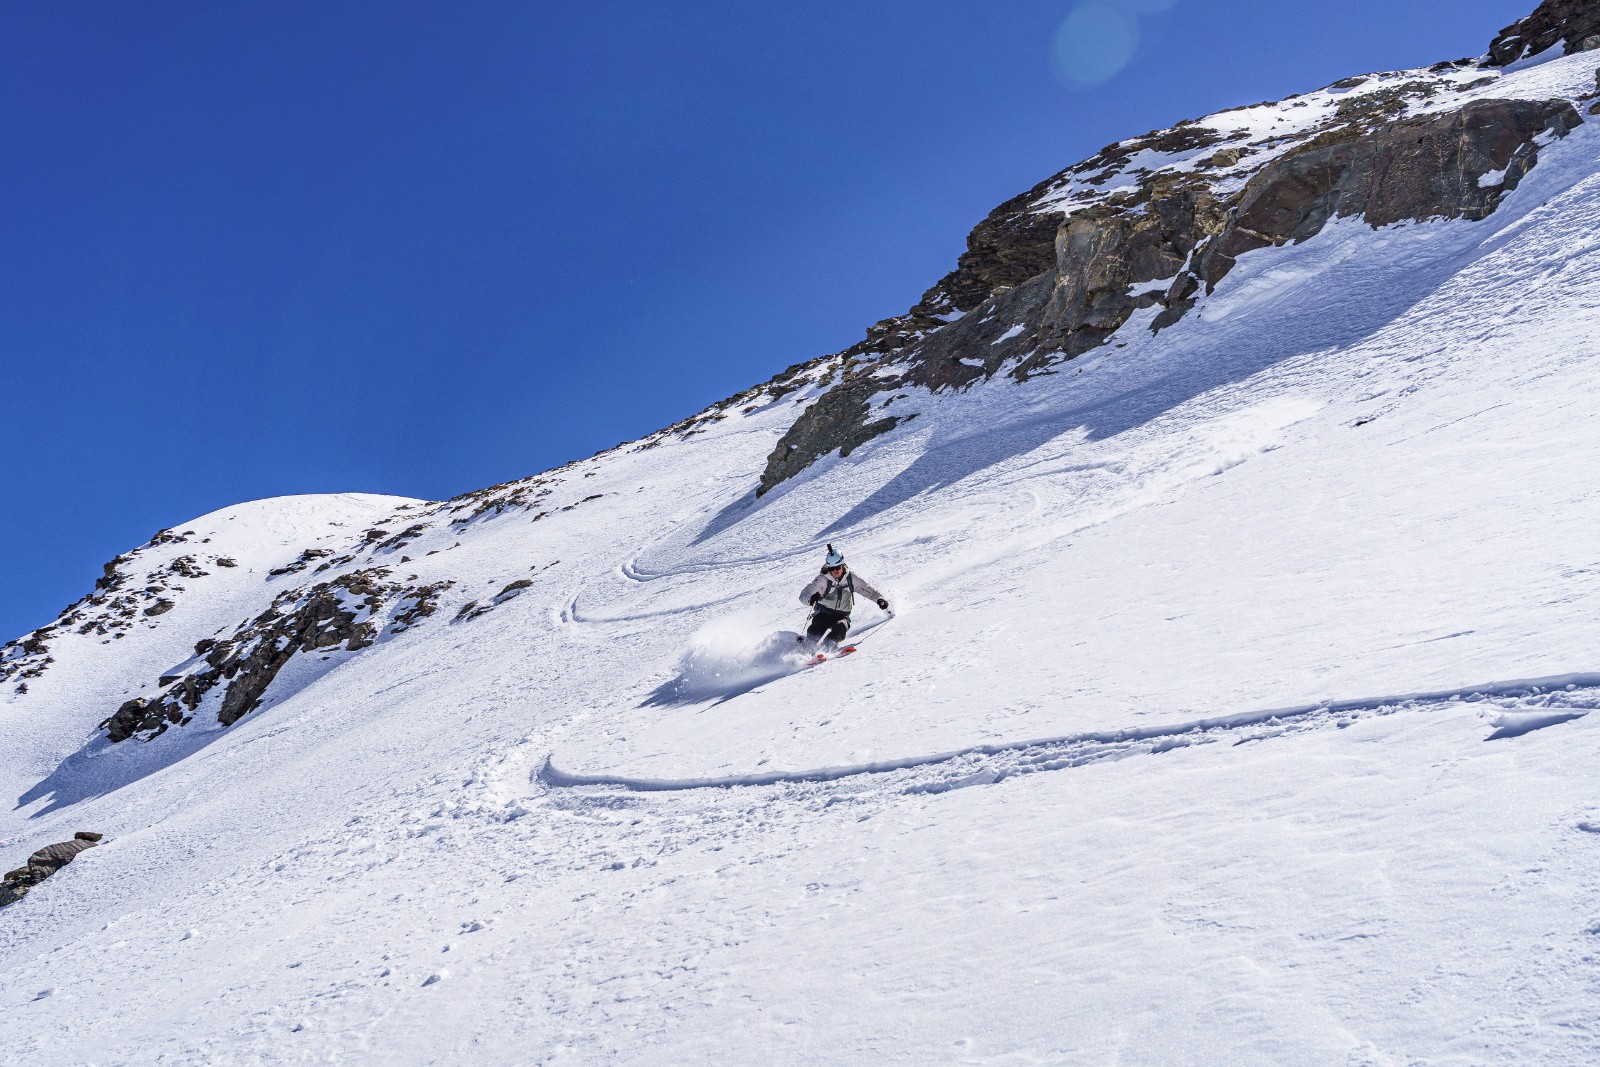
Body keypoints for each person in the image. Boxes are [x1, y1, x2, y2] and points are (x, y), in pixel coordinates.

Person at [798, 544, 889, 652]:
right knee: (819, 625)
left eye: (837, 567)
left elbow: (868, 590)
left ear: (842, 565)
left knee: (840, 628)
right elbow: (804, 595)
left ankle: (825, 650)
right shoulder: (823, 579)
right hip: (823, 612)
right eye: (832, 568)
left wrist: (879, 599)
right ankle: (805, 649)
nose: (835, 571)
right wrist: (811, 600)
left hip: (842, 615)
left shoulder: (851, 578)